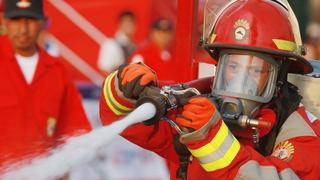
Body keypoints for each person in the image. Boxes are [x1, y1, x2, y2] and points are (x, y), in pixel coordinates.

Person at [100, 0, 320, 179]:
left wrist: (211, 139)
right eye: (232, 66)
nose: (240, 80)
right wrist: (123, 91)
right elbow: (124, 122)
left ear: (279, 77)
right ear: (219, 67)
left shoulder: (302, 130)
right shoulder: (198, 111)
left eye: (254, 70)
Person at [0, 0, 91, 168]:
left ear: (43, 22)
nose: (23, 29)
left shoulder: (58, 72)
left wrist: (65, 165)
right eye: (16, 20)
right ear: (4, 21)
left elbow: (75, 129)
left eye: (30, 20)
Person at [130, 18, 177, 85]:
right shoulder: (141, 55)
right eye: (159, 31)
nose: (163, 35)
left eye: (166, 32)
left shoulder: (175, 57)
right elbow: (134, 81)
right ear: (152, 33)